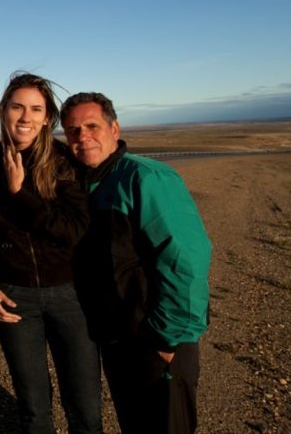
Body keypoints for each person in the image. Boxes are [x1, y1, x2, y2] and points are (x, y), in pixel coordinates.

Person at [56, 92, 212, 434]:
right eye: (72, 130)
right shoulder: (85, 184)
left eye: (92, 126)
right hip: (116, 337)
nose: (83, 137)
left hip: (156, 338)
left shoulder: (146, 178)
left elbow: (185, 260)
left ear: (115, 128)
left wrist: (168, 338)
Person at [0, 73, 102, 434]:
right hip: (14, 297)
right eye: (17, 107)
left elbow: (74, 230)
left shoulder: (63, 161)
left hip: (72, 295)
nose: (25, 117)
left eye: (36, 109)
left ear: (47, 118)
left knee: (85, 405)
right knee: (34, 407)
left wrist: (20, 193)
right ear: (2, 110)